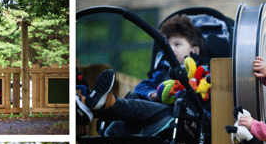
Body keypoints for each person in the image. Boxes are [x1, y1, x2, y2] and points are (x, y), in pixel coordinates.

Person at [78, 14, 207, 132]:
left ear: (195, 50)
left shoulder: (202, 74)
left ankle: (101, 104)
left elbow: (208, 102)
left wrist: (201, 118)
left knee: (137, 105)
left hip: (173, 114)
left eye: (177, 44)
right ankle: (90, 104)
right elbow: (142, 87)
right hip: (151, 110)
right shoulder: (163, 70)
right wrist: (153, 95)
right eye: (168, 45)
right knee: (133, 97)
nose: (171, 49)